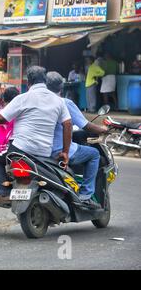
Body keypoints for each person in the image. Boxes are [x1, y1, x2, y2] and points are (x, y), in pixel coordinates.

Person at [46, 71, 108, 209]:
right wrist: (103, 129)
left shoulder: (38, 102)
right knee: (94, 154)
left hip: (39, 150)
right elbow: (85, 125)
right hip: (58, 151)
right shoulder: (65, 103)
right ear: (61, 87)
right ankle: (85, 195)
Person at [0, 66, 72, 167]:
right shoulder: (59, 101)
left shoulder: (22, 98)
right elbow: (68, 124)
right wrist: (65, 152)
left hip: (21, 150)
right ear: (45, 81)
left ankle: (3, 183)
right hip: (45, 153)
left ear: (28, 82)